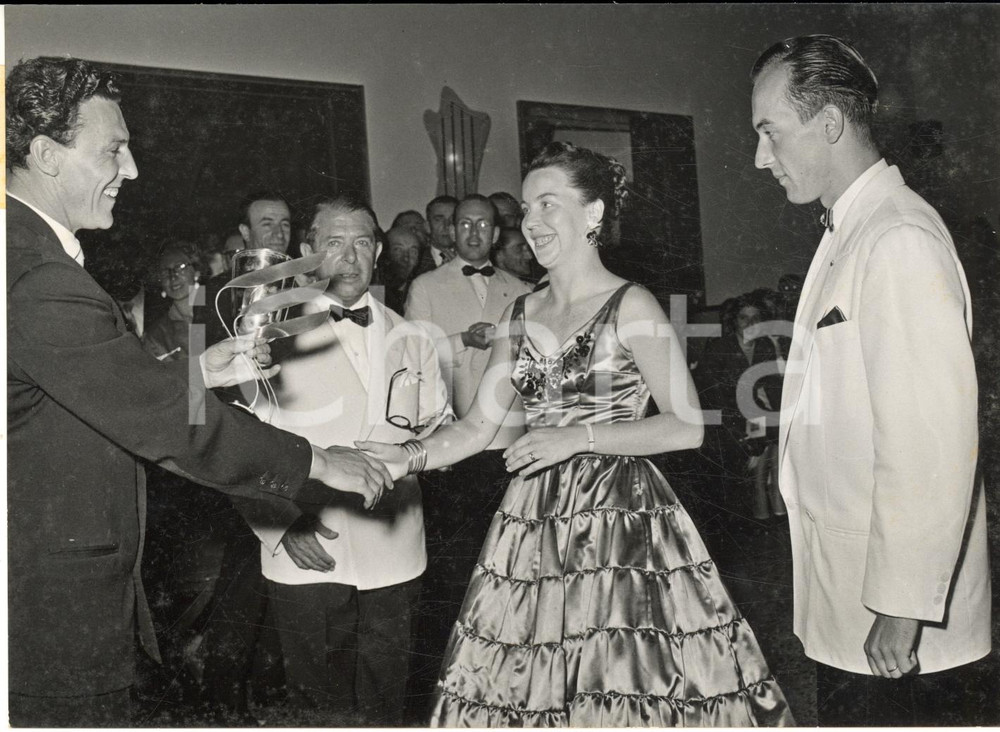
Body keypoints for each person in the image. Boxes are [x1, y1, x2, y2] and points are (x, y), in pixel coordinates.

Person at [5, 56, 392, 726]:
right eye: (114, 151)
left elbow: (101, 391)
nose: (129, 171)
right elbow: (163, 422)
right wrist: (321, 463)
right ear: (45, 154)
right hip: (51, 608)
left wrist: (202, 370)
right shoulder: (38, 278)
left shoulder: (27, 257)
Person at [362, 142, 794, 726]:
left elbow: (688, 426)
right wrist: (401, 456)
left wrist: (577, 438)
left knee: (620, 678)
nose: (531, 222)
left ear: (592, 215)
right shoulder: (520, 313)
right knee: (535, 679)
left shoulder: (630, 303)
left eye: (548, 204)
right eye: (525, 207)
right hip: (535, 523)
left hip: (622, 521)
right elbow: (475, 429)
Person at [751, 35, 991, 725]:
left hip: (894, 619)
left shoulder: (898, 239)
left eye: (770, 132)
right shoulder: (849, 232)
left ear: (829, 124)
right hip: (849, 592)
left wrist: (902, 604)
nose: (760, 157)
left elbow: (930, 440)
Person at [235, 196, 452, 724]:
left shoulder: (413, 334)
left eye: (361, 243)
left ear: (378, 251)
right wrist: (279, 527)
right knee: (316, 705)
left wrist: (416, 456)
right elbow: (238, 440)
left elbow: (440, 431)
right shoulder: (266, 335)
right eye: (333, 243)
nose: (349, 258)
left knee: (387, 698)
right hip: (307, 545)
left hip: (394, 549)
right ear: (307, 252)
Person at [143, 239, 203, 362]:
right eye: (165, 272)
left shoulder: (220, 308)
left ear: (196, 271)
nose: (173, 276)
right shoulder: (156, 336)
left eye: (180, 267)